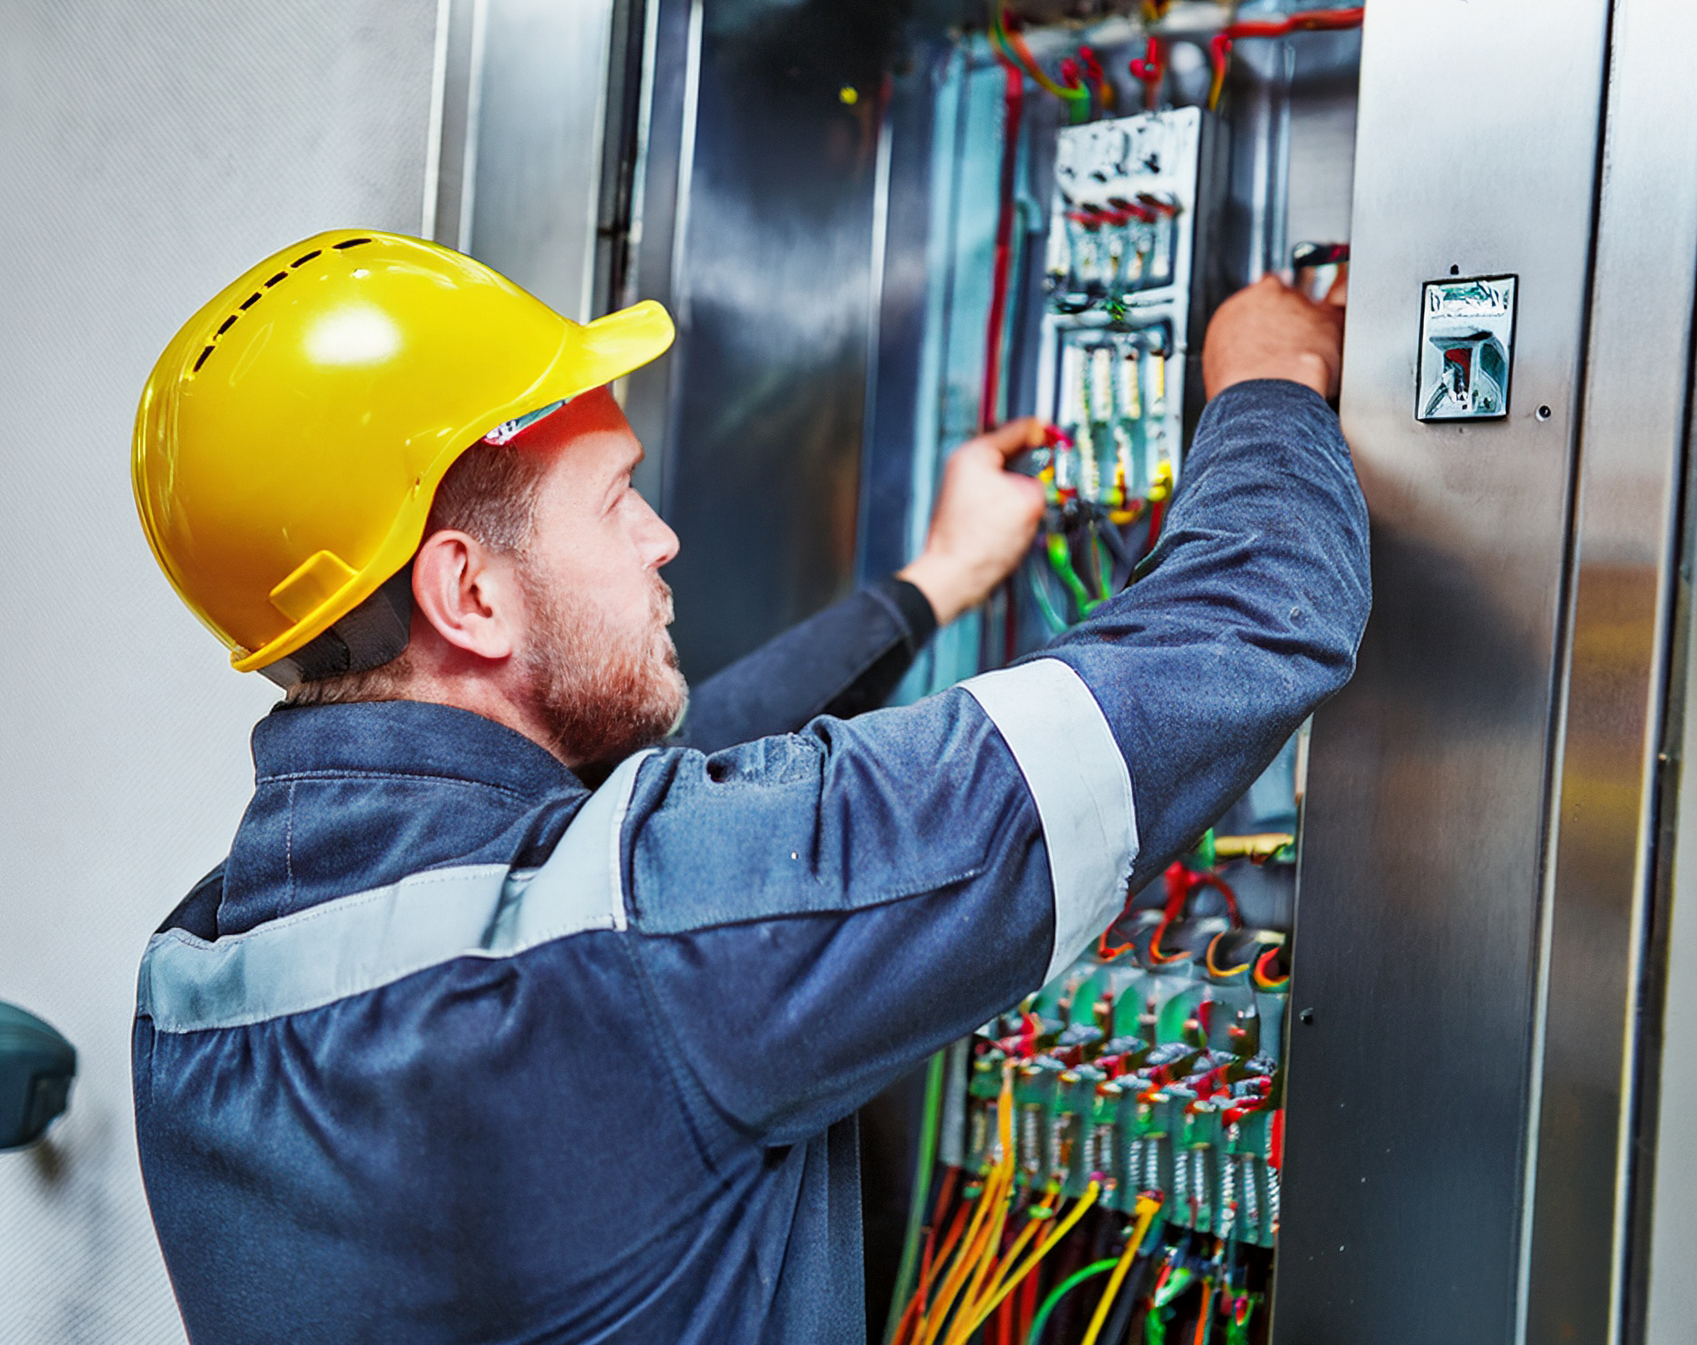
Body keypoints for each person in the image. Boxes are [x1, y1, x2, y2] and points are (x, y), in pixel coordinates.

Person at [128, 231, 1367, 1345]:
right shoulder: (652, 946)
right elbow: (1254, 626)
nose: (661, 538)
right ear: (471, 595)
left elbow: (615, 838)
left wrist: (929, 586)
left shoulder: (201, 978)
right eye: (617, 498)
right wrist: (1266, 375)